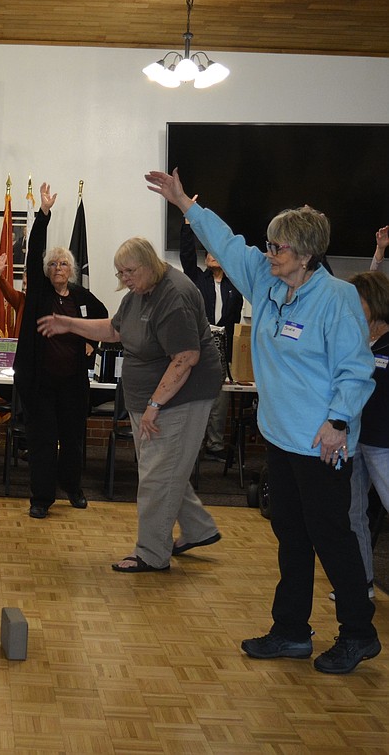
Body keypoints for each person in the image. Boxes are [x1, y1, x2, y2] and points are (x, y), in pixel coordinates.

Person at [146, 167, 379, 675]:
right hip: (281, 437)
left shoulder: (336, 300)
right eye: (269, 246)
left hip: (323, 444)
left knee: (331, 538)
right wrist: (185, 204)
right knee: (291, 538)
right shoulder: (265, 280)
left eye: (278, 248)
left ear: (306, 255)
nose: (268, 254)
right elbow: (227, 243)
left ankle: (359, 633)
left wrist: (338, 422)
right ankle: (292, 631)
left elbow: (357, 370)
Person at [38, 236, 222, 572]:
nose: (124, 279)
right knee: (163, 469)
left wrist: (154, 404)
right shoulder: (140, 291)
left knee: (156, 476)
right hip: (151, 397)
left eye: (130, 272)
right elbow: (114, 329)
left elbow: (185, 358)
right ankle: (199, 528)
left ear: (151, 264)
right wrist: (69, 324)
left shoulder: (175, 295)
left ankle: (152, 553)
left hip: (181, 397)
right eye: (120, 273)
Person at [13, 185, 108, 519]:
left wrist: (92, 344)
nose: (58, 268)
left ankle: (74, 488)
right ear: (46, 270)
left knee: (72, 441)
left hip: (72, 384)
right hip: (40, 384)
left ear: (72, 268)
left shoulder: (82, 297)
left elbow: (105, 320)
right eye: (52, 264)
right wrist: (43, 214)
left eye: (63, 263)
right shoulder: (39, 294)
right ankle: (41, 498)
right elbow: (35, 247)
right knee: (41, 443)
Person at [340, 270, 389, 602]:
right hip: (352, 440)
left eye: (357, 301)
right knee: (352, 513)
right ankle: (362, 584)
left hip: (384, 444)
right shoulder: (354, 339)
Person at [180, 212, 244, 460]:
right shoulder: (197, 278)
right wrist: (187, 226)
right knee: (195, 397)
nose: (211, 255)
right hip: (199, 346)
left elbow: (236, 321)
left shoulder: (234, 286)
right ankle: (193, 446)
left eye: (215, 252)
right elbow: (186, 256)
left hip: (225, 349)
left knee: (220, 400)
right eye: (207, 253)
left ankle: (215, 444)